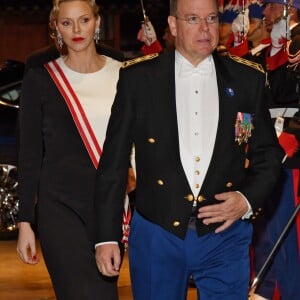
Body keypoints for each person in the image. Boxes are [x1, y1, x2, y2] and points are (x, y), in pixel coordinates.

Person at [93, 0, 283, 299]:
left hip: (225, 234)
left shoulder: (247, 78)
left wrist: (246, 200)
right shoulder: (138, 78)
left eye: (211, 18)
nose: (205, 28)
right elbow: (113, 163)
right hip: (157, 232)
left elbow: (268, 156)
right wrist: (105, 236)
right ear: (172, 25)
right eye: (193, 18)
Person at [16, 1, 124, 299]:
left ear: (97, 22)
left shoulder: (124, 72)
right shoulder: (41, 76)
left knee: (104, 293)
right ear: (56, 28)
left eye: (84, 20)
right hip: (59, 206)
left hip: (109, 206)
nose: (76, 30)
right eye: (66, 23)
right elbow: (29, 153)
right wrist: (26, 221)